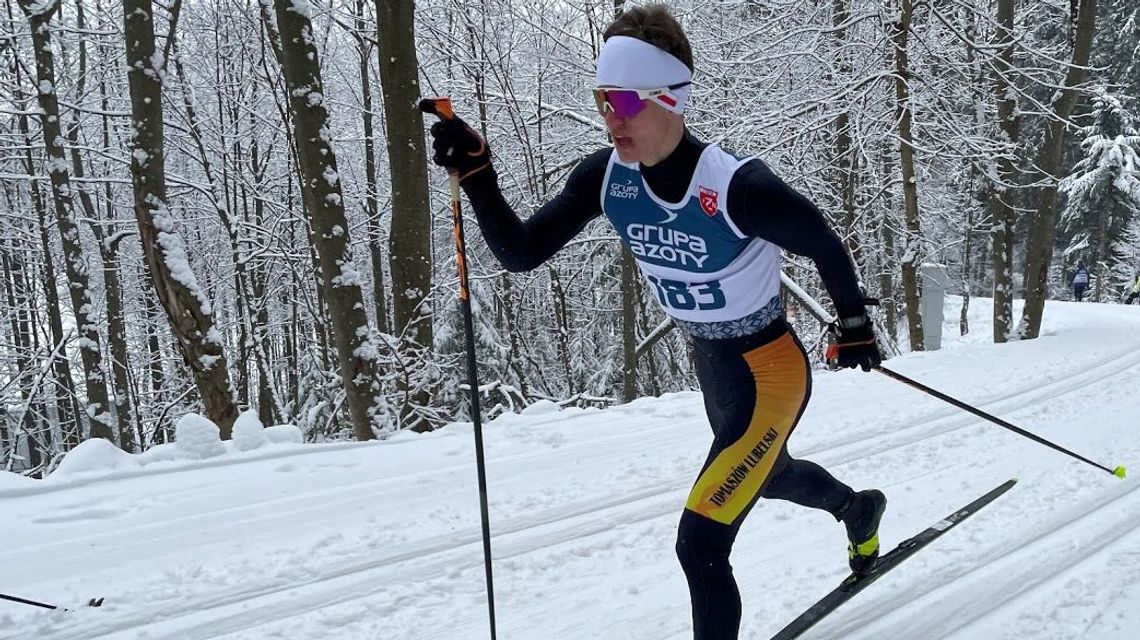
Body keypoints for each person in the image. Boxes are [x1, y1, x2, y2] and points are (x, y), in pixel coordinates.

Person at [426, 6, 885, 639]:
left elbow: (825, 245)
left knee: (700, 543)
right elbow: (522, 254)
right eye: (601, 100)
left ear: (669, 98)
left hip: (771, 371)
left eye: (622, 102)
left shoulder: (735, 188)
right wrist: (478, 175)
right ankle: (857, 510)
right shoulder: (607, 178)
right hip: (715, 368)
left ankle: (850, 511)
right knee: (765, 473)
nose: (610, 118)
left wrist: (853, 322)